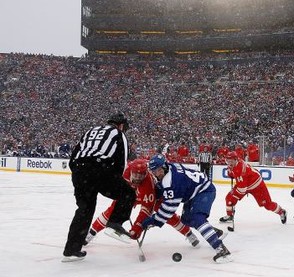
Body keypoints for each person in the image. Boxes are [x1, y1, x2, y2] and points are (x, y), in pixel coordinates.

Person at [62, 112, 136, 262]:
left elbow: (75, 154)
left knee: (84, 209)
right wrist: (116, 181)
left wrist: (79, 173)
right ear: (121, 125)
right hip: (100, 169)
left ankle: (71, 250)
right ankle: (115, 223)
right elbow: (121, 163)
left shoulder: (90, 131)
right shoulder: (118, 134)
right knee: (128, 193)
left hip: (79, 171)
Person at [85, 158, 200, 248]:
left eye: (141, 175)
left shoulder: (148, 184)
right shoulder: (126, 171)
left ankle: (188, 234)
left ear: (145, 173)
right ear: (131, 171)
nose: (138, 178)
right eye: (135, 174)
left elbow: (146, 210)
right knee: (112, 210)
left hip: (154, 196)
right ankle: (90, 234)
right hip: (131, 194)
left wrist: (137, 229)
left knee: (167, 216)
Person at [141, 154, 232, 263]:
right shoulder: (170, 168)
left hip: (204, 191)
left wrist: (154, 220)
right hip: (194, 192)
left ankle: (221, 249)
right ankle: (215, 233)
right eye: (154, 171)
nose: (157, 173)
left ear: (164, 166)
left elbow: (169, 209)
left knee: (197, 218)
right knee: (187, 220)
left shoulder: (171, 182)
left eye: (159, 170)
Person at [218, 151, 287, 225]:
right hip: (244, 183)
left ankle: (281, 211)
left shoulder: (240, 169)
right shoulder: (234, 164)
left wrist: (235, 195)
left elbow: (242, 190)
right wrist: (230, 173)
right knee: (229, 198)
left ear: (235, 159)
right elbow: (234, 175)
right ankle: (230, 215)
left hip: (256, 185)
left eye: (230, 161)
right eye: (227, 161)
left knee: (267, 204)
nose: (229, 163)